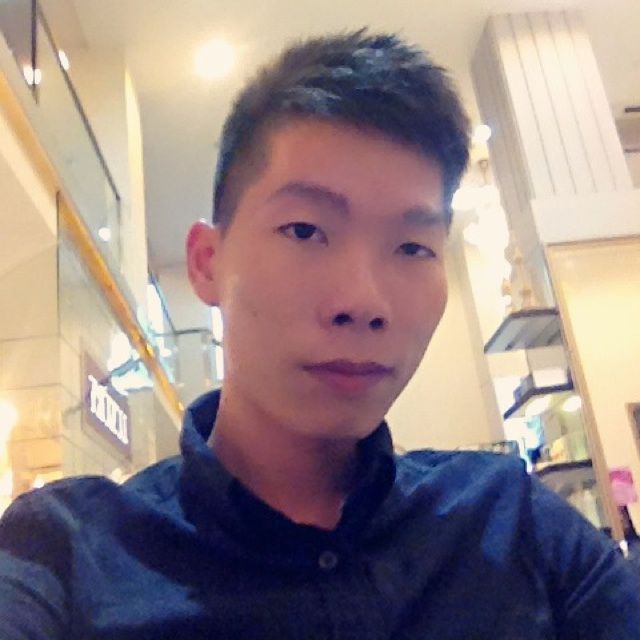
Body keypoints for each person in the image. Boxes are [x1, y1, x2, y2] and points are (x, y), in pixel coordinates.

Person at [1, 30, 639, 639]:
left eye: (413, 247)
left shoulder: (512, 521)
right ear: (207, 263)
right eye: (305, 230)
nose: (363, 303)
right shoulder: (68, 553)